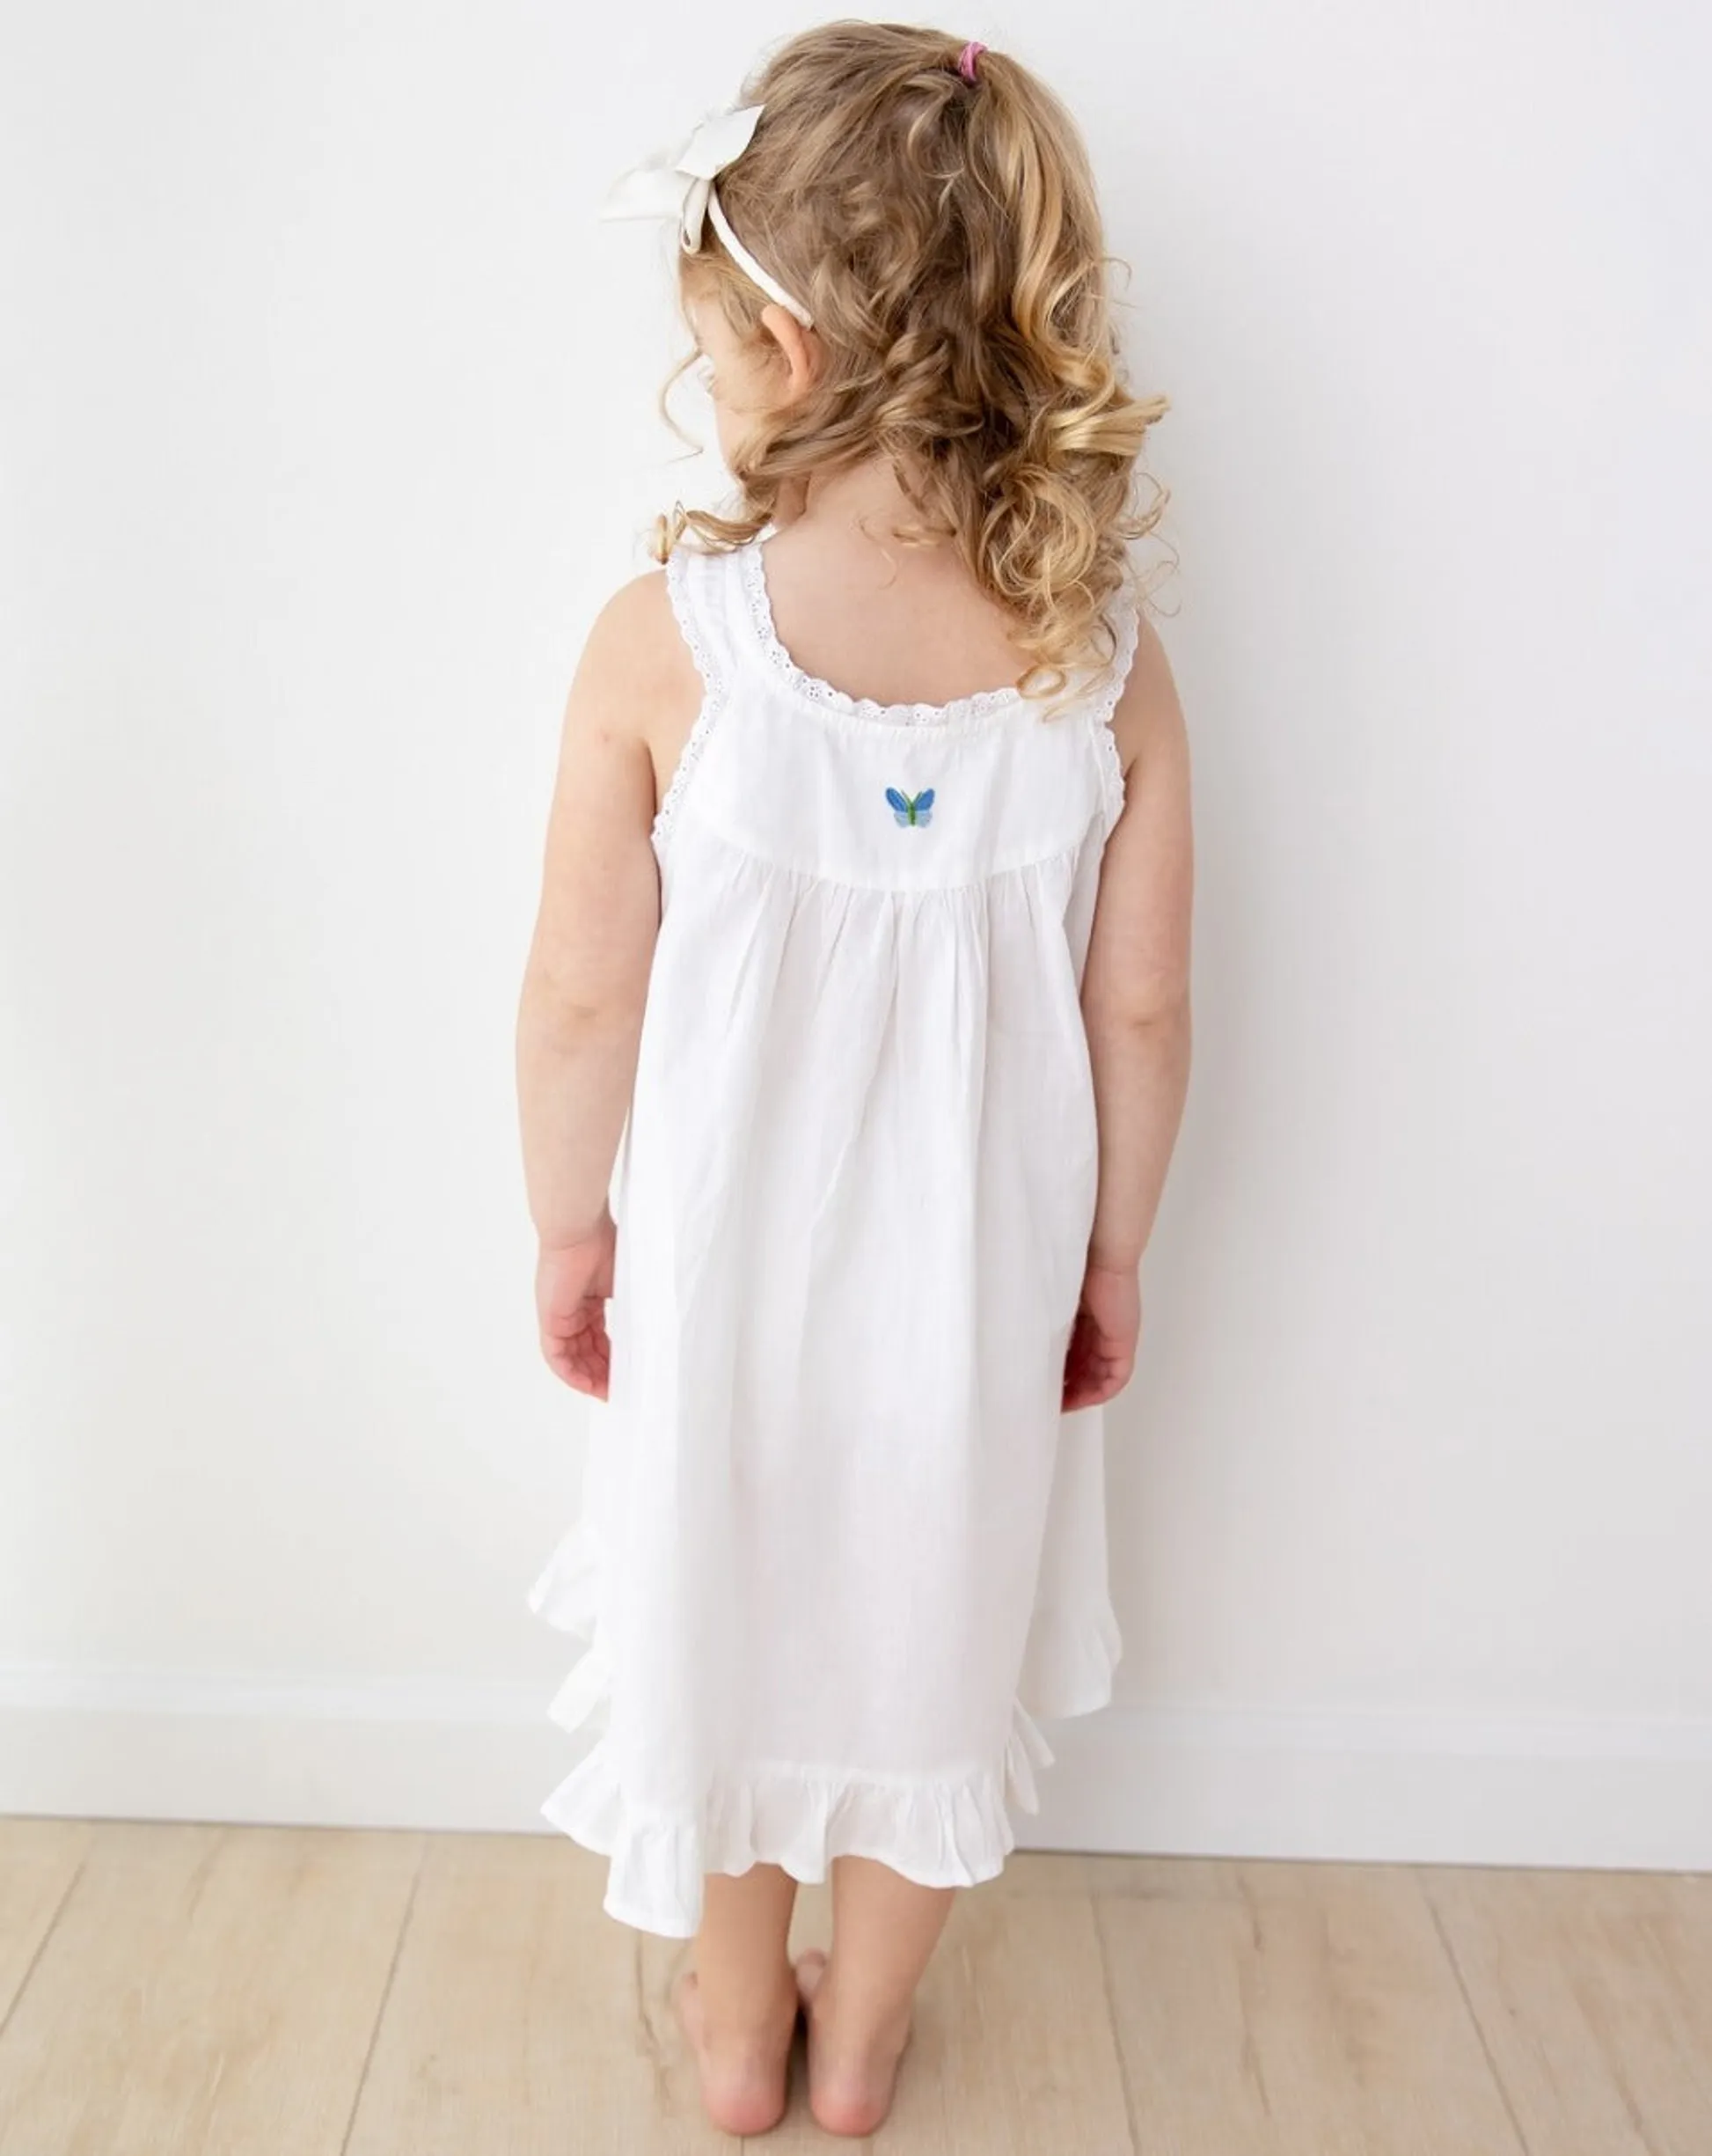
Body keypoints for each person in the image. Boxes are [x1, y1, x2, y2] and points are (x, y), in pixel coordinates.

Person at [515, 22, 1193, 2139]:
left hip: (723, 1282)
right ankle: (865, 2035)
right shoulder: (1101, 669)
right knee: (929, 1634)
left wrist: (568, 1224)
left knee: (721, 1613)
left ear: (787, 349)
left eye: (711, 341)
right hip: (974, 1301)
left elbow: (578, 997)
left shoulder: (665, 648)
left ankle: (737, 2033)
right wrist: (1110, 1255)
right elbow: (1143, 1010)